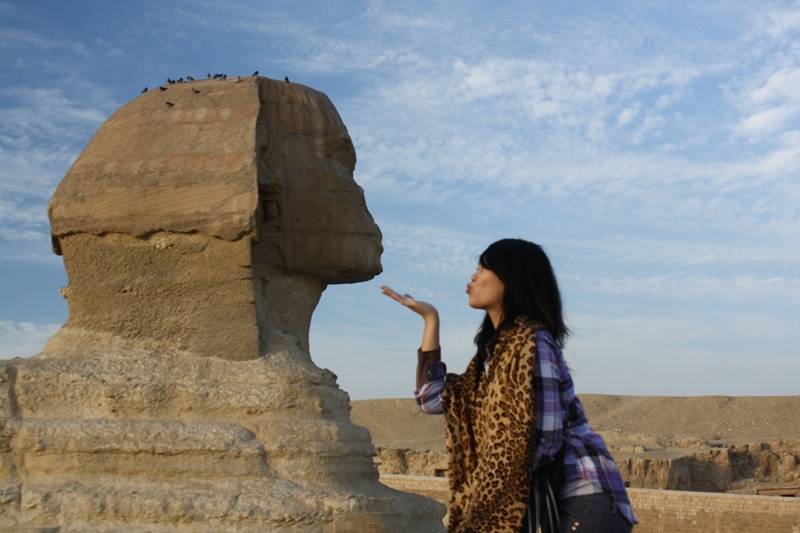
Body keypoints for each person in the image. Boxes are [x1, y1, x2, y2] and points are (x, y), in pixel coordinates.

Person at [381, 238, 637, 533]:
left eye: (482, 268)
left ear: (512, 278)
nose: (473, 277)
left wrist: (485, 492)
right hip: (548, 504)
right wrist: (430, 318)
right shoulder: (490, 360)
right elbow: (432, 399)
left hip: (581, 499)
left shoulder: (531, 341)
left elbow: (544, 439)